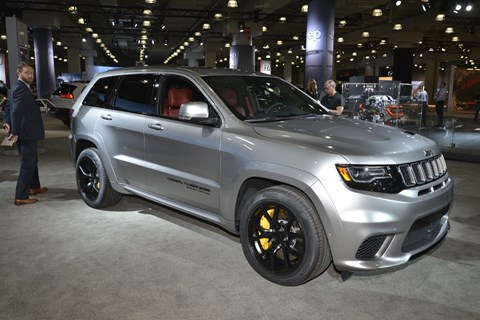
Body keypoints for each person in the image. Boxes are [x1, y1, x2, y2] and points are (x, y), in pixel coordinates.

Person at [4, 62, 47, 205]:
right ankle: (21, 196)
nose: (30, 75)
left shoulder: (17, 87)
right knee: (27, 163)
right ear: (19, 73)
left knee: (32, 160)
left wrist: (6, 121)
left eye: (32, 73)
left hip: (25, 130)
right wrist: (14, 131)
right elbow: (15, 111)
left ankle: (34, 187)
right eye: (27, 73)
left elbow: (8, 106)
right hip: (26, 131)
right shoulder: (21, 88)